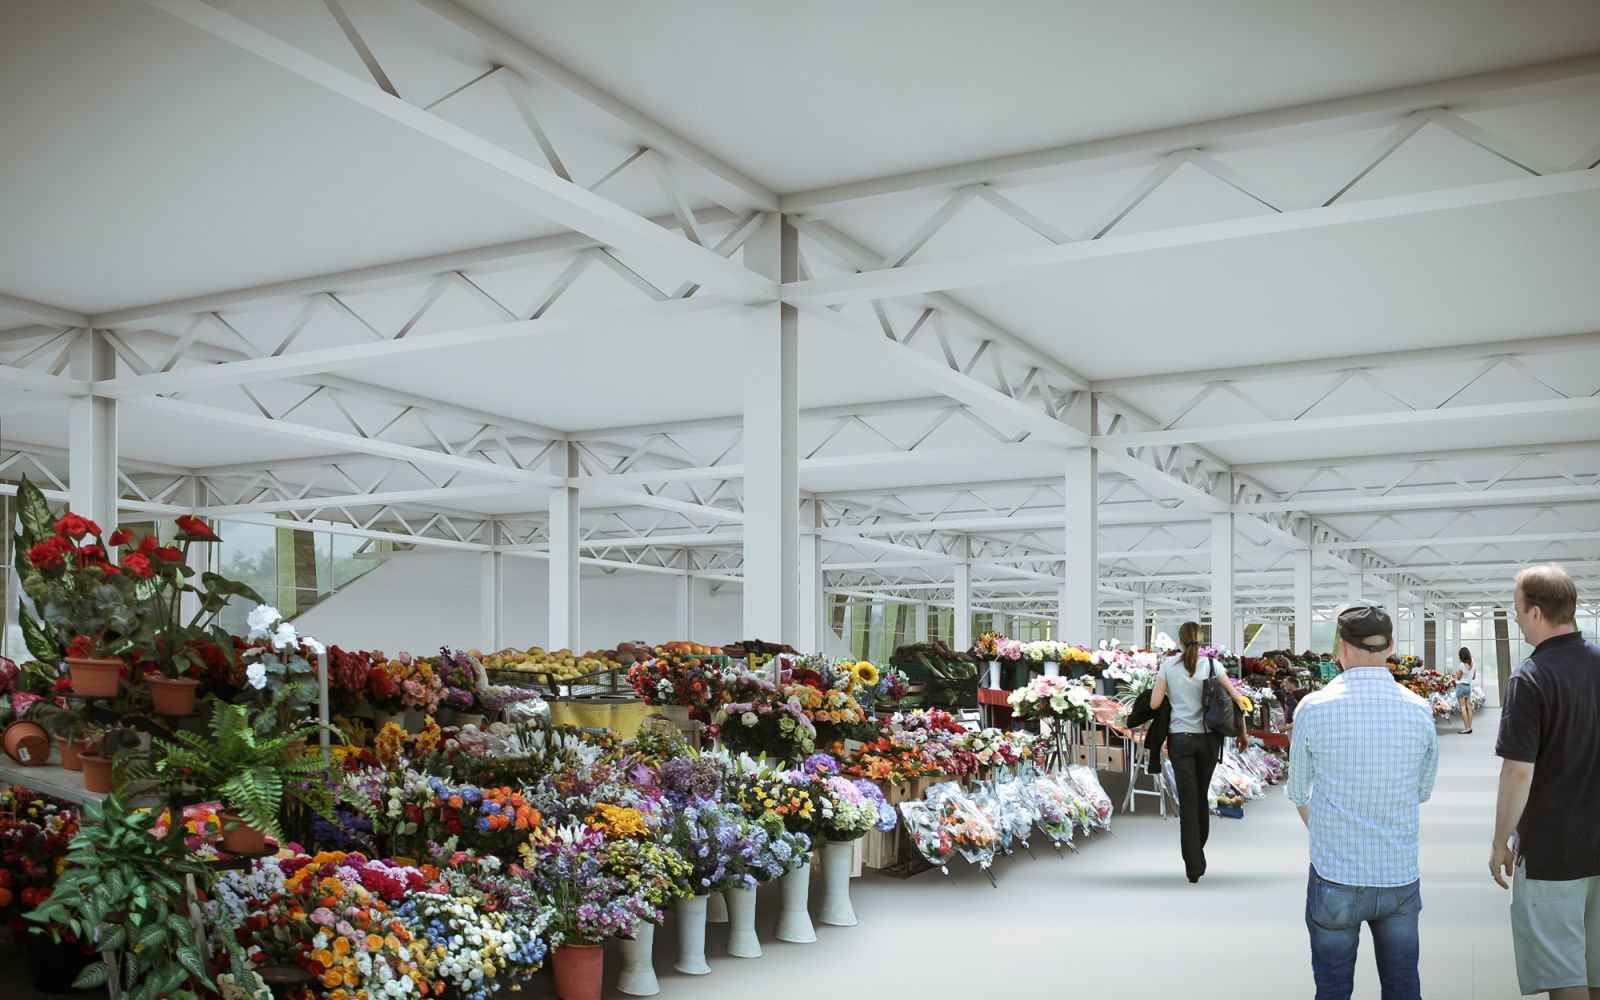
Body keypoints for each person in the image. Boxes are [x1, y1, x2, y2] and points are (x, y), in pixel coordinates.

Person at [1286, 603, 1438, 1000]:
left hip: (1336, 876)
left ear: (1342, 648)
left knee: (1333, 988)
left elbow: (1298, 791)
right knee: (1403, 985)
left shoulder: (1313, 708)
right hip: (1399, 876)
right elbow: (1422, 791)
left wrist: (1332, 826)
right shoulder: (1419, 709)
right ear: (1390, 647)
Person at [1490, 563, 1600, 1000]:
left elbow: (1518, 769)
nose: (1516, 618)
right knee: (1594, 970)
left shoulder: (1531, 677)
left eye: (1517, 610)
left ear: (1535, 612)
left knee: (1563, 971)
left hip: (1555, 849)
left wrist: (1500, 841)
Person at [1149, 621, 1248, 883]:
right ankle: (1198, 850)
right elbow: (1237, 701)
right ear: (1202, 642)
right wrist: (1244, 734)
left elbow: (1155, 703)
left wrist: (1171, 693)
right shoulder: (1213, 666)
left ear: (1179, 642)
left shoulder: (1168, 666)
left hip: (1180, 739)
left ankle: (1194, 864)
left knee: (1188, 801)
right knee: (1200, 796)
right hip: (1208, 741)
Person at [1454, 646, 1477, 734]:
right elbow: (1474, 677)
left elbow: (1458, 678)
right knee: (1469, 708)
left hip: (1461, 687)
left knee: (1463, 708)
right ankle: (1469, 727)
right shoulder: (1473, 663)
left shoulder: (1461, 665)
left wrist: (1457, 672)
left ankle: (1466, 728)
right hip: (1468, 687)